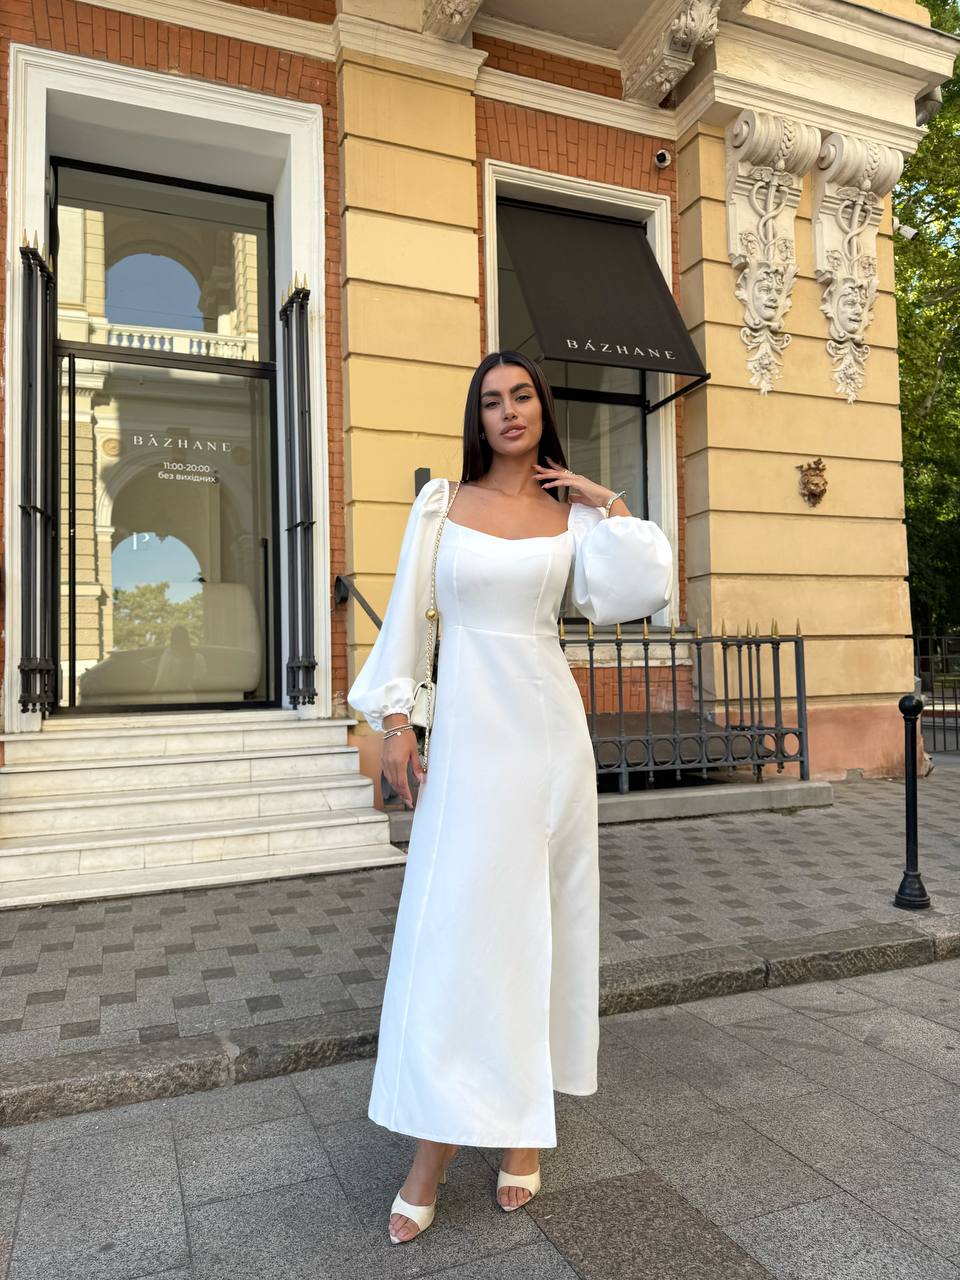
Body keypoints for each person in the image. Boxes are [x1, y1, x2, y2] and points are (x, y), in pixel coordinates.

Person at [347, 350, 673, 1244]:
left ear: (541, 407)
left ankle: (524, 1125)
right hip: (468, 741)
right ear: (478, 418)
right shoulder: (440, 505)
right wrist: (398, 721)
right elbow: (407, 614)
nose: (509, 410)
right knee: (454, 933)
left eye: (522, 395)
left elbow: (639, 587)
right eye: (491, 400)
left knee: (540, 928)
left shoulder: (573, 518)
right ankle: (433, 1148)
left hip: (548, 737)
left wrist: (605, 500)